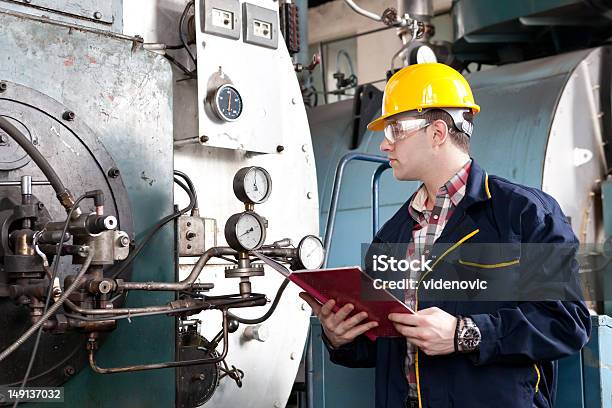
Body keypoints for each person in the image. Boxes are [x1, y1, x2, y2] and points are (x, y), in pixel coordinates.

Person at [300, 63, 591, 408]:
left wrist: (464, 334)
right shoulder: (392, 234)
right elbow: (383, 345)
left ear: (437, 132)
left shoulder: (525, 214)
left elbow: (566, 321)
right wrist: (340, 337)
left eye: (395, 130)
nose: (383, 144)